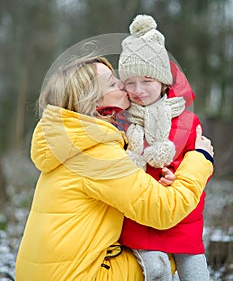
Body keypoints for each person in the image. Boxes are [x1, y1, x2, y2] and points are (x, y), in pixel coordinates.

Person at [15, 54, 214, 281]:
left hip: (38, 275)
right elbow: (164, 210)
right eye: (112, 83)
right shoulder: (97, 155)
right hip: (79, 277)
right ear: (92, 101)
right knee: (158, 257)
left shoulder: (70, 141)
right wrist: (200, 158)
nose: (123, 84)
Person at [118, 14, 213, 281]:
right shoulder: (122, 120)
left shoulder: (187, 120)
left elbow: (202, 159)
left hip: (182, 216)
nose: (138, 90)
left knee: (196, 272)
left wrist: (177, 174)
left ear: (163, 83)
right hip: (140, 215)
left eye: (147, 80)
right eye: (130, 81)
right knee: (155, 269)